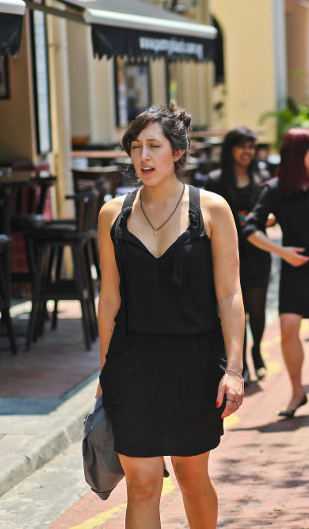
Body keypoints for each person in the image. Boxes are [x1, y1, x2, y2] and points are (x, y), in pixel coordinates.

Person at [97, 103, 245, 527]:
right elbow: (109, 300)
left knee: (191, 477)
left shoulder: (213, 209)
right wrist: (104, 374)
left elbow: (230, 294)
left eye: (154, 146)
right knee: (141, 484)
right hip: (132, 363)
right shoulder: (112, 214)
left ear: (177, 152)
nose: (143, 157)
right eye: (136, 147)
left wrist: (234, 369)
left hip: (195, 362)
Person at [243, 127, 309, 418]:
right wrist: (283, 253)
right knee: (288, 329)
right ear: (295, 155)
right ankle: (297, 392)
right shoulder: (275, 188)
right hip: (294, 269)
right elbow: (250, 228)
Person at [206, 126, 272, 382]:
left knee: (257, 309)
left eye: (251, 147)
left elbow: (271, 212)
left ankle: (257, 351)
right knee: (233, 309)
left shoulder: (263, 177)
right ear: (230, 149)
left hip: (257, 251)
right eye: (242, 146)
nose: (247, 152)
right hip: (227, 254)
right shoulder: (215, 180)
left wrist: (267, 220)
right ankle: (240, 361)